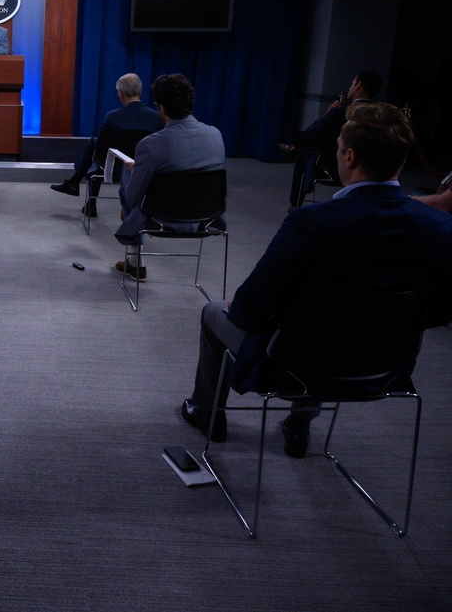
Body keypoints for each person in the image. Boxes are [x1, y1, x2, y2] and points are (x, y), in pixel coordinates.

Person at [180, 102, 452, 458]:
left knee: (214, 311)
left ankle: (207, 413)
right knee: (332, 325)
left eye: (338, 147)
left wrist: (241, 306)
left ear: (350, 156)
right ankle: (299, 426)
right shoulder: (441, 228)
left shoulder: (312, 221)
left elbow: (249, 309)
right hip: (386, 367)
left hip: (295, 366)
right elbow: (438, 312)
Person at [112, 74, 225, 280]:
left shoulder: (150, 144)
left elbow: (132, 198)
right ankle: (135, 263)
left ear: (162, 108)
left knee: (129, 180)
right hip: (208, 218)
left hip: (161, 217)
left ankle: (136, 263)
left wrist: (137, 172)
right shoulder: (216, 135)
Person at [49, 73, 165, 217]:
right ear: (140, 91)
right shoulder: (157, 118)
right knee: (95, 146)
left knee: (95, 147)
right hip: (144, 167)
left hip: (114, 167)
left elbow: (101, 149)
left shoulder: (113, 117)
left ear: (121, 94)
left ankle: (81, 191)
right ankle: (74, 184)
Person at [285, 70, 382, 210]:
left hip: (336, 166)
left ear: (358, 85)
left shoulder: (340, 113)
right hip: (374, 168)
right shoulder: (380, 115)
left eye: (352, 84)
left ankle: (295, 204)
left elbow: (310, 136)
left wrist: (328, 114)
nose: (349, 87)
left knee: (304, 155)